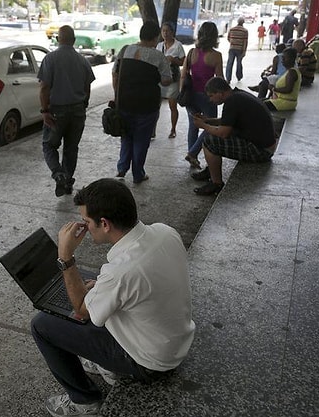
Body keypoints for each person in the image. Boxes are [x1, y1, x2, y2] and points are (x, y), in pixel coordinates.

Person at [31, 178, 196, 417]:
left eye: (87, 222)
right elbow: (144, 282)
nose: (85, 228)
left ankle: (84, 401)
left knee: (41, 325)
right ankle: (103, 360)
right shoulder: (165, 232)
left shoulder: (121, 272)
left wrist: (65, 256)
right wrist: (101, 287)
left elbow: (81, 308)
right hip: (175, 340)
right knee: (97, 294)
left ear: (105, 224)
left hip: (149, 362)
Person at [191, 77, 276, 195]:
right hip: (265, 145)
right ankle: (211, 170)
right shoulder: (237, 95)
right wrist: (208, 120)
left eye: (211, 96)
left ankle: (216, 184)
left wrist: (203, 126)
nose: (210, 100)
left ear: (220, 93)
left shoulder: (232, 102)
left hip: (261, 151)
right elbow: (227, 120)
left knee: (209, 142)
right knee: (213, 137)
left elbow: (223, 133)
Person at [38, 25, 95, 197]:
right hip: (78, 111)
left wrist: (45, 110)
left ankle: (59, 174)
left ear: (58, 39)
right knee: (71, 148)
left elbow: (44, 88)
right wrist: (83, 104)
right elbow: (88, 87)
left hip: (57, 111)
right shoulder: (82, 60)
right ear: (74, 40)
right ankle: (67, 180)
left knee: (49, 145)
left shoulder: (50, 59)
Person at [112, 22, 171, 184]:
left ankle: (122, 169)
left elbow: (115, 75)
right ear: (155, 38)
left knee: (126, 135)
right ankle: (138, 174)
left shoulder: (125, 50)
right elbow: (167, 80)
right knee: (141, 140)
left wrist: (117, 96)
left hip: (124, 102)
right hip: (147, 105)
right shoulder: (158, 56)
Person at [181, 21, 224, 169]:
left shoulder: (192, 52)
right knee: (209, 125)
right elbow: (219, 79)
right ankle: (193, 153)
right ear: (214, 36)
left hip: (191, 95)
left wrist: (182, 93)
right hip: (208, 97)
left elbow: (183, 75)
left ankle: (192, 156)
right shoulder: (216, 56)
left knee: (193, 125)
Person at [156, 22, 185, 139]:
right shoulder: (159, 46)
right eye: (163, 31)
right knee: (155, 106)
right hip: (160, 79)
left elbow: (183, 61)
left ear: (172, 32)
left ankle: (173, 129)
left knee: (172, 105)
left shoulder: (178, 46)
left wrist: (173, 60)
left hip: (173, 79)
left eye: (168, 31)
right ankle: (153, 129)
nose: (165, 33)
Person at [225, 17, 248, 84]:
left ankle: (228, 78)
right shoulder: (245, 31)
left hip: (232, 48)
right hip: (240, 49)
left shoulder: (232, 29)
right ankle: (239, 76)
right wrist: (244, 51)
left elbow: (228, 38)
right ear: (243, 22)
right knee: (239, 63)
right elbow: (245, 42)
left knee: (229, 63)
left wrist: (233, 43)